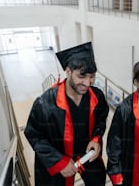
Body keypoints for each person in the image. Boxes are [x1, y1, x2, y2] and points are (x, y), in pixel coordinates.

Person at [24, 42, 109, 186]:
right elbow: (34, 134)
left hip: (87, 155)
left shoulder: (97, 96)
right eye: (82, 76)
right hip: (59, 156)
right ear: (68, 71)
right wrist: (58, 161)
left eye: (92, 76)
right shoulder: (45, 104)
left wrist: (96, 138)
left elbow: (101, 118)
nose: (88, 83)